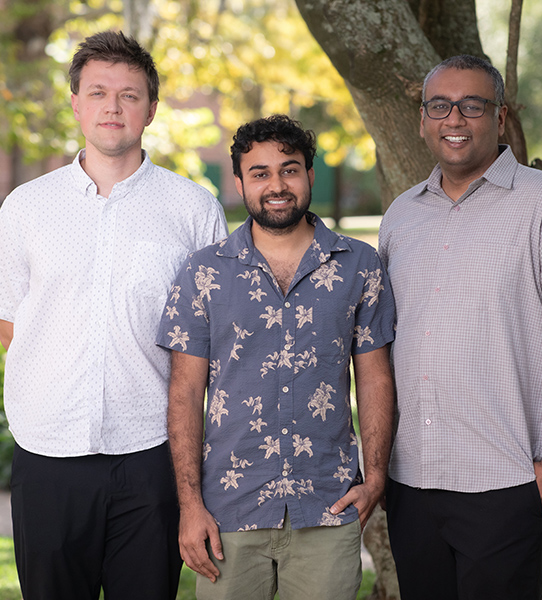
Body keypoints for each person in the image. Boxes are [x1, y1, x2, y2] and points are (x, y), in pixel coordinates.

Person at [0, 31, 227, 600]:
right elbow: (11, 325)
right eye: (98, 92)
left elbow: (209, 337)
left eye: (129, 95)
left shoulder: (193, 209)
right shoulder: (27, 207)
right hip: (48, 454)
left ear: (151, 109)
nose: (113, 106)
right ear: (76, 103)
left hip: (150, 456)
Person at [379, 55, 542, 599]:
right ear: (423, 119)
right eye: (439, 106)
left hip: (505, 481)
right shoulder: (400, 217)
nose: (455, 119)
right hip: (411, 482)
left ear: (500, 116)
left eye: (472, 105)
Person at [157, 114, 396, 600]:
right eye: (260, 173)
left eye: (289, 169)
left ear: (310, 175)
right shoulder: (204, 273)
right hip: (229, 509)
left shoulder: (360, 265)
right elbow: (184, 392)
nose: (276, 185)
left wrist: (374, 480)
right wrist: (189, 506)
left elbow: (374, 380)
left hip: (328, 504)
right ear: (241, 182)